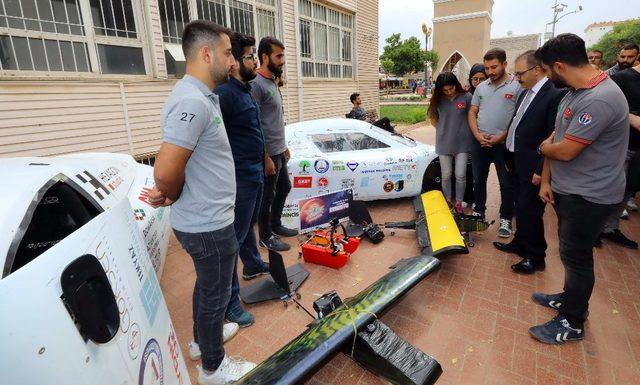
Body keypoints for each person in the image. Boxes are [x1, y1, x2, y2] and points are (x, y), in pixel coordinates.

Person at [147, 21, 256, 383]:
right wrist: (171, 191)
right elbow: (164, 171)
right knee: (216, 295)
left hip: (206, 220)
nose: (233, 61)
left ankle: (200, 341)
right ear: (206, 54)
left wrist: (173, 190)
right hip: (208, 224)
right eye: (227, 54)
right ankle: (213, 367)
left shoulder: (198, 96)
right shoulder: (193, 102)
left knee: (209, 287)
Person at [531, 33, 629, 344]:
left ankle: (572, 321)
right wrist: (547, 179)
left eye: (547, 71)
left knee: (577, 257)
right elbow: (556, 137)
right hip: (569, 190)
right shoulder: (575, 93)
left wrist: (543, 149)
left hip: (590, 196)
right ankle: (570, 298)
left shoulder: (600, 98)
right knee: (571, 253)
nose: (547, 77)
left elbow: (563, 149)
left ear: (559, 65)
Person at [214, 32, 269, 328]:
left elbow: (252, 130)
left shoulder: (245, 89)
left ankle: (253, 264)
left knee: (249, 226)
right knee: (232, 241)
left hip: (254, 170)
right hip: (239, 176)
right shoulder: (224, 95)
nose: (254, 61)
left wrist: (265, 158)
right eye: (249, 56)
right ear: (234, 62)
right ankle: (230, 303)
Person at [494, 50, 566, 274]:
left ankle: (535, 256)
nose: (516, 78)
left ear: (536, 70)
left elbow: (553, 135)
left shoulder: (554, 95)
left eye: (519, 73)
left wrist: (540, 170)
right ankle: (519, 243)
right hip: (516, 160)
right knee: (520, 207)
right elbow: (518, 123)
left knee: (530, 212)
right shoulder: (526, 92)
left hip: (534, 167)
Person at [468, 48, 520, 237]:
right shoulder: (482, 87)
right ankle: (479, 212)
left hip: (503, 145)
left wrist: (501, 137)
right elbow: (473, 111)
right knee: (478, 180)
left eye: (494, 67)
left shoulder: (517, 86)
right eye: (487, 67)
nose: (490, 72)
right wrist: (477, 134)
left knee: (506, 183)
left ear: (505, 64)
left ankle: (505, 218)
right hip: (480, 143)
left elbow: (518, 118)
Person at [251, 37, 297, 252]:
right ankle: (265, 236)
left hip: (279, 149)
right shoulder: (256, 84)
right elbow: (255, 123)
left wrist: (284, 144)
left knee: (284, 187)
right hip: (267, 153)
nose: (283, 60)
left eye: (283, 55)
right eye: (278, 56)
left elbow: (274, 119)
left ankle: (276, 224)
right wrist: (264, 155)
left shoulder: (271, 82)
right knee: (267, 196)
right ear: (264, 57)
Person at [597, 60, 640, 249]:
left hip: (638, 149)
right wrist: (631, 117)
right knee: (608, 189)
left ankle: (610, 227)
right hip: (621, 146)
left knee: (629, 188)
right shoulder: (622, 78)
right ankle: (593, 229)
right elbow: (604, 103)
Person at [428, 72, 473, 213]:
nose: (448, 92)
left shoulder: (466, 97)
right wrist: (444, 130)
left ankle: (459, 202)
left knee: (460, 174)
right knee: (446, 174)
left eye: (451, 89)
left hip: (463, 143)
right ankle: (447, 199)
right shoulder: (437, 100)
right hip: (444, 142)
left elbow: (472, 117)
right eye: (445, 90)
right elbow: (434, 120)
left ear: (456, 85)